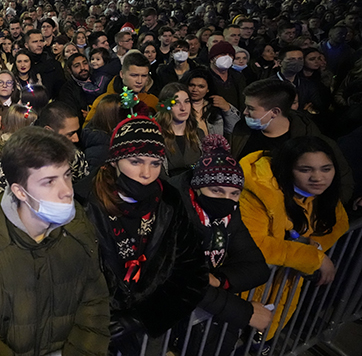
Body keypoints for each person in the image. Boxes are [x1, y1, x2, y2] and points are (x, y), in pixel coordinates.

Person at [0, 126, 111, 355]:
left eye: (66, 175)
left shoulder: (79, 232)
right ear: (20, 192)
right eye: (49, 181)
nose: (66, 191)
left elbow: (94, 309)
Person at [86, 116, 206, 351]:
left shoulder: (169, 200)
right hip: (94, 331)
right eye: (135, 161)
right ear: (114, 161)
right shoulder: (84, 203)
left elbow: (192, 271)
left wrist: (143, 317)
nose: (146, 173)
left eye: (155, 163)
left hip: (148, 329)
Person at [239, 136, 350, 342]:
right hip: (245, 284)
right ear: (288, 168)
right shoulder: (258, 191)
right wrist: (314, 257)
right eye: (305, 169)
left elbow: (338, 223)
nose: (318, 177)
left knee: (265, 333)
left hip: (282, 285)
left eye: (326, 169)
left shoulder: (323, 194)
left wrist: (313, 247)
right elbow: (256, 245)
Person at [171, 135, 272, 354]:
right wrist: (243, 312)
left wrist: (221, 280)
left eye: (234, 193)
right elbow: (176, 279)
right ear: (197, 187)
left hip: (206, 315)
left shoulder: (229, 215)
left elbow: (256, 266)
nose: (226, 200)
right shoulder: (172, 211)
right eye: (217, 191)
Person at [155, 83, 204, 177]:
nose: (183, 108)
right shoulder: (156, 136)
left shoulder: (198, 134)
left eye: (187, 101)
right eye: (176, 103)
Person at [181, 69, 240, 136]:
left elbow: (235, 129)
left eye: (201, 86)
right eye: (191, 85)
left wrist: (227, 109)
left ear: (208, 89)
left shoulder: (216, 107)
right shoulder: (180, 107)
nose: (195, 89)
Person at [207, 41, 246, 111]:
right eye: (223, 54)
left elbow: (243, 100)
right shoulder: (203, 76)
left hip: (236, 117)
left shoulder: (238, 76)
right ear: (212, 59)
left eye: (230, 55)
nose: (227, 57)